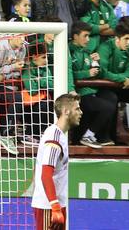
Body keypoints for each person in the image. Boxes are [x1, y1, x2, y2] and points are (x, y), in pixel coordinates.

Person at [31, 92, 80, 229]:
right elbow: (45, 174)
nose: (80, 112)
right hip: (49, 207)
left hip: (55, 204)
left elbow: (38, 169)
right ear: (66, 111)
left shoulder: (60, 135)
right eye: (77, 109)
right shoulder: (54, 136)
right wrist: (55, 206)